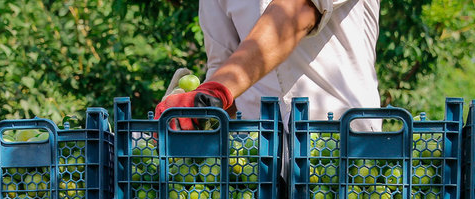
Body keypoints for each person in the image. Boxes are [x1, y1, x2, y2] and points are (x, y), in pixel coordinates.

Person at [155, 0, 381, 131]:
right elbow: (222, 66)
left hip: (340, 141)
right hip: (256, 159)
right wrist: (193, 111)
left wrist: (215, 91)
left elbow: (296, 12)